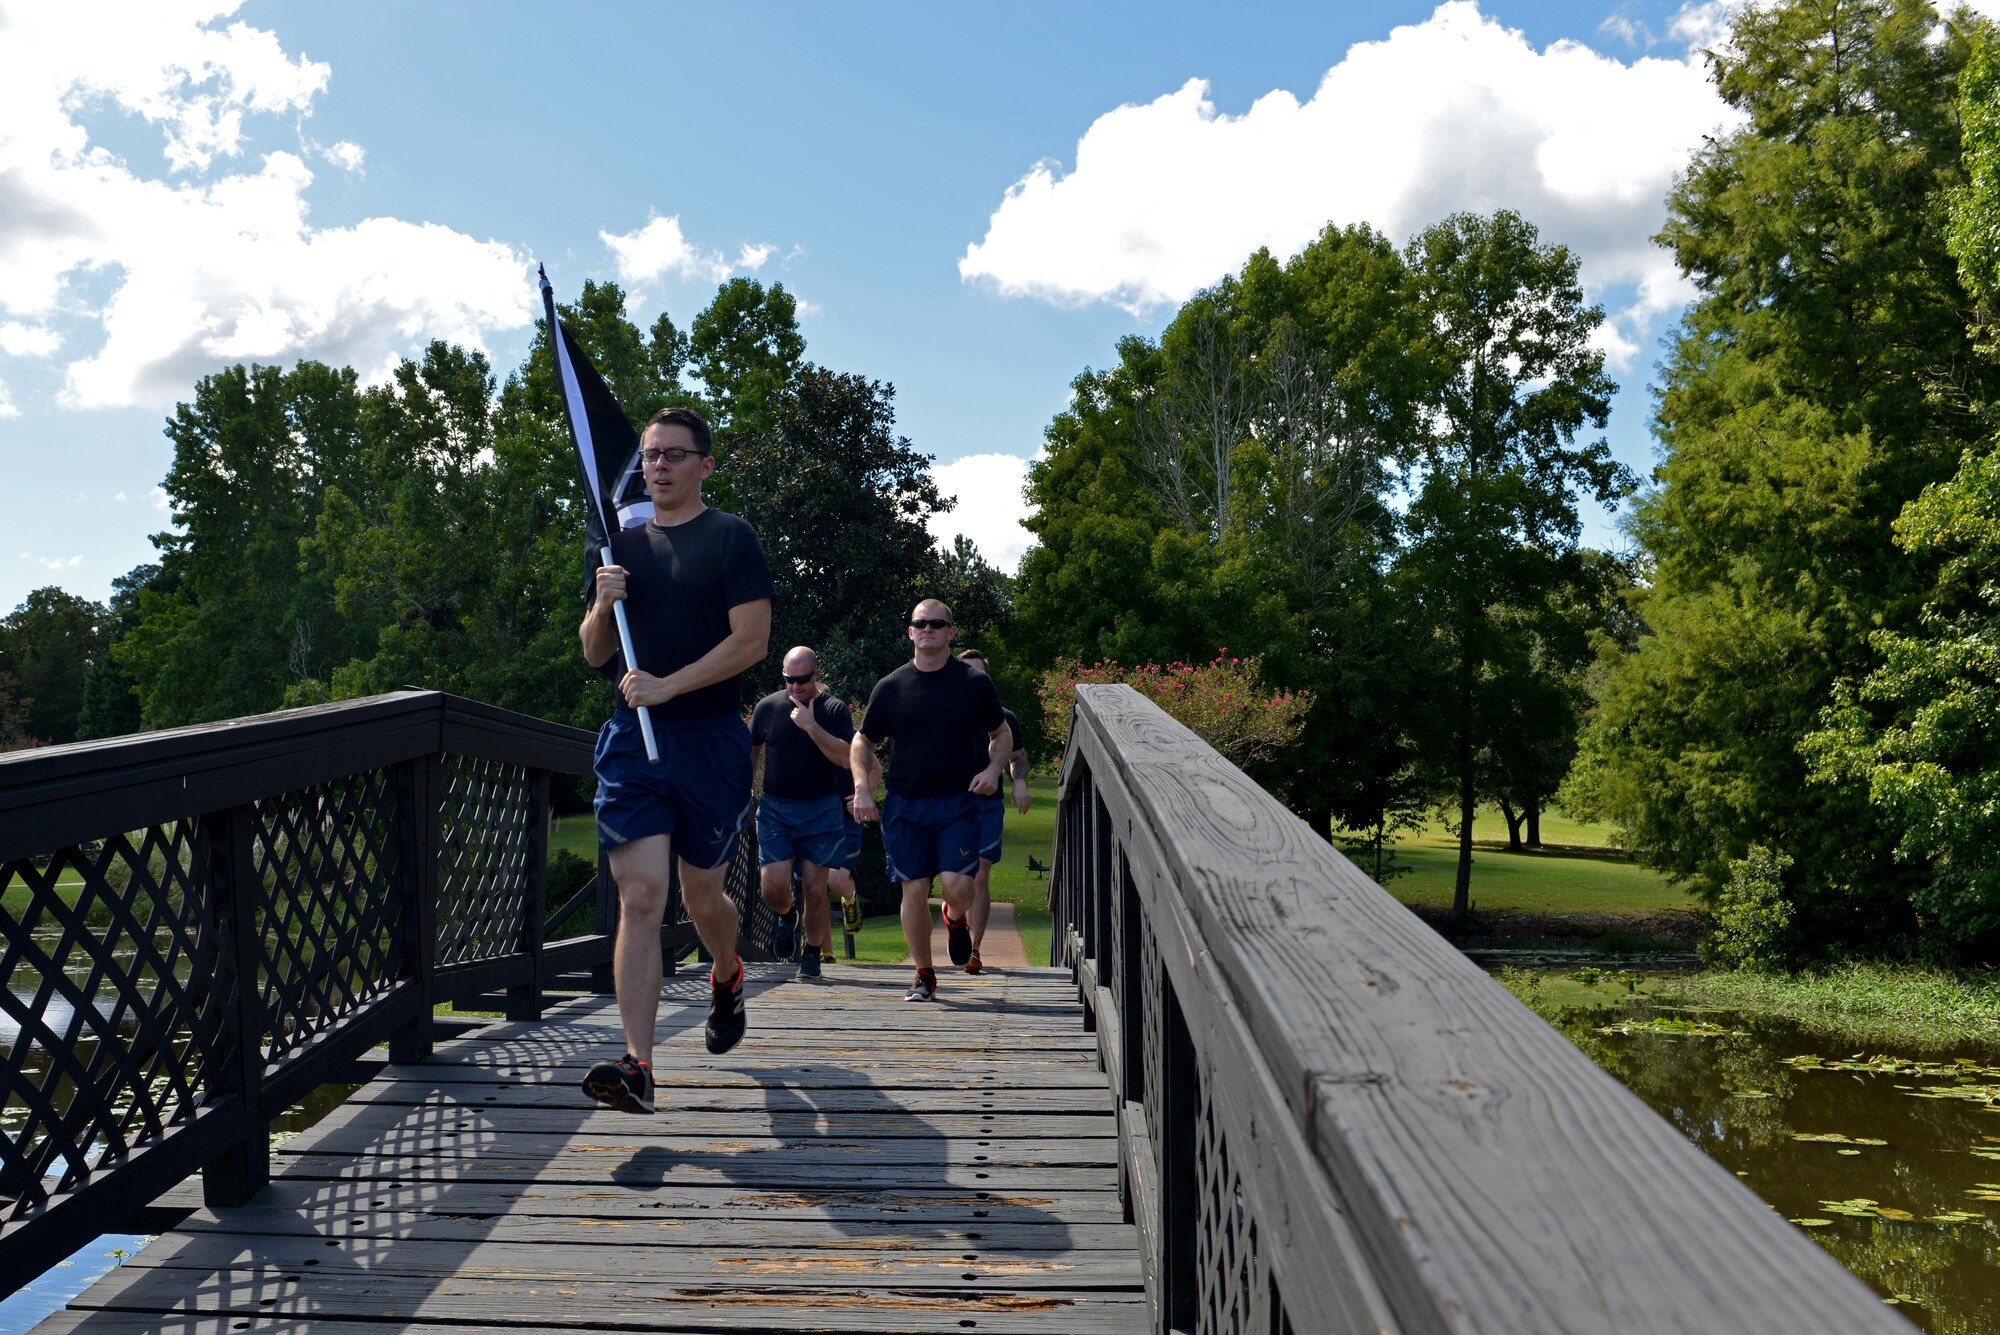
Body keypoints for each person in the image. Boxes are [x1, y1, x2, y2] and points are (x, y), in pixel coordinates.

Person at [579, 406, 773, 1115]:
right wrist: (603, 605)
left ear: (704, 465)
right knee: (640, 896)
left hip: (710, 739)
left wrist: (670, 683)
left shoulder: (730, 538)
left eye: (673, 455)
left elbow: (752, 641)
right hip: (633, 741)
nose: (657, 465)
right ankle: (638, 1065)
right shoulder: (617, 543)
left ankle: (726, 969)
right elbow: (597, 652)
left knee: (701, 897)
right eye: (651, 455)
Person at [850, 599, 1010, 1001]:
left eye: (937, 624)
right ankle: (924, 974)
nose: (928, 630)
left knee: (959, 887)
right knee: (914, 888)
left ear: (951, 633)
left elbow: (1002, 733)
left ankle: (955, 918)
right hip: (906, 803)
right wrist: (862, 788)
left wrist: (993, 771)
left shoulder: (973, 684)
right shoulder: (891, 686)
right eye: (920, 623)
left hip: (958, 801)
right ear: (910, 632)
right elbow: (862, 740)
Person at [748, 646, 855, 979]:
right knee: (772, 887)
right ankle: (787, 914)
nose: (795, 687)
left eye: (802, 680)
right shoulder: (767, 707)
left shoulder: (834, 710)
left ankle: (811, 953)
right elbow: (752, 746)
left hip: (821, 808)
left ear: (816, 675)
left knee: (814, 886)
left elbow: (847, 756)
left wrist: (811, 726)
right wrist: (745, 788)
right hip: (777, 808)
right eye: (789, 680)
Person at [956, 649, 1029, 973]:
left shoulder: (1003, 717)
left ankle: (974, 949)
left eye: (978, 675)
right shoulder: (943, 713)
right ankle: (955, 917)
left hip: (986, 805)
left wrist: (1020, 783)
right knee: (956, 877)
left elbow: (1019, 757)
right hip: (949, 804)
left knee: (980, 874)